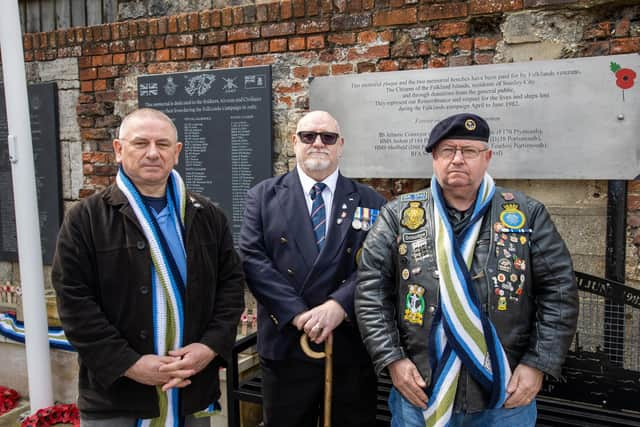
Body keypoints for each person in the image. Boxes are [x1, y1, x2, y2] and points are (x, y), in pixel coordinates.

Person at [355, 113, 579, 427]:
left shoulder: (526, 214)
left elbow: (559, 293)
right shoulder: (399, 215)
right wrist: (392, 359)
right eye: (448, 151)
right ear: (434, 158)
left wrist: (538, 364)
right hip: (420, 388)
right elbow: (370, 293)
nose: (458, 159)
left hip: (505, 392)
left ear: (486, 158)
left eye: (469, 151)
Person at [52, 108, 245, 426]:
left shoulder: (208, 216)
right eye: (141, 143)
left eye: (163, 144)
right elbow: (74, 303)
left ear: (177, 152)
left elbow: (231, 286)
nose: (153, 153)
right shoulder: (86, 219)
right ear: (118, 149)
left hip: (191, 387)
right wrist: (129, 363)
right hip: (117, 395)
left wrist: (209, 346)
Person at [239, 110, 386, 427]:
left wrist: (339, 305)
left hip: (349, 345)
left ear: (340, 145)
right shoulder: (262, 196)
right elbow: (252, 259)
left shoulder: (370, 199)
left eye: (328, 137)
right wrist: (297, 314)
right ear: (295, 142)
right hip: (286, 344)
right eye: (308, 136)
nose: (318, 143)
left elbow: (379, 264)